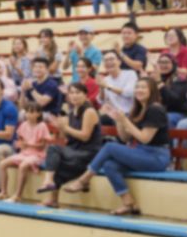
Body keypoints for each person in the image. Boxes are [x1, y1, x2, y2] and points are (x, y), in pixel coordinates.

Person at [64, 78, 171, 215]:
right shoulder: (137, 109)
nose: (139, 90)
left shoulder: (155, 109)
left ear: (152, 91)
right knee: (109, 165)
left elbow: (144, 138)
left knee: (110, 146)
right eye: (137, 87)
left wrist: (125, 120)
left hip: (156, 156)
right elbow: (124, 138)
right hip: (140, 152)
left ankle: (84, 179)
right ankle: (128, 203)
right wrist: (118, 120)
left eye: (143, 87)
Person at [36, 82, 102, 208]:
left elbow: (85, 136)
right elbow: (70, 138)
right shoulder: (72, 113)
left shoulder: (89, 111)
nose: (74, 96)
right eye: (71, 92)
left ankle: (48, 180)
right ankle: (53, 199)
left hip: (88, 153)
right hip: (75, 151)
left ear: (85, 95)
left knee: (53, 148)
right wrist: (61, 128)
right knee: (56, 164)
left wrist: (65, 127)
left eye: (78, 92)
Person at [0, 102, 52, 203]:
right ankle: (4, 192)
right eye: (27, 112)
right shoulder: (23, 124)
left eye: (31, 112)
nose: (28, 114)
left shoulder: (42, 125)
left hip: (37, 155)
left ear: (38, 114)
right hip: (24, 153)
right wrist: (19, 144)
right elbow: (20, 142)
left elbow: (43, 146)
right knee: (3, 164)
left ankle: (18, 195)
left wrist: (28, 144)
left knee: (23, 165)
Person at [154, 53, 187, 127]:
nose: (163, 65)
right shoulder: (154, 80)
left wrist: (160, 83)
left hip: (180, 113)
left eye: (166, 62)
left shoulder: (181, 80)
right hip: (162, 112)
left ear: (174, 64)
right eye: (160, 62)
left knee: (166, 118)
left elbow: (174, 101)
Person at [98, 50, 137, 124]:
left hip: (129, 114)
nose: (109, 62)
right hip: (114, 114)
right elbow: (101, 100)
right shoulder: (106, 79)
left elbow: (129, 93)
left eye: (111, 59)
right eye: (106, 60)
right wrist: (102, 88)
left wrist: (108, 87)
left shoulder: (130, 74)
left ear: (119, 62)